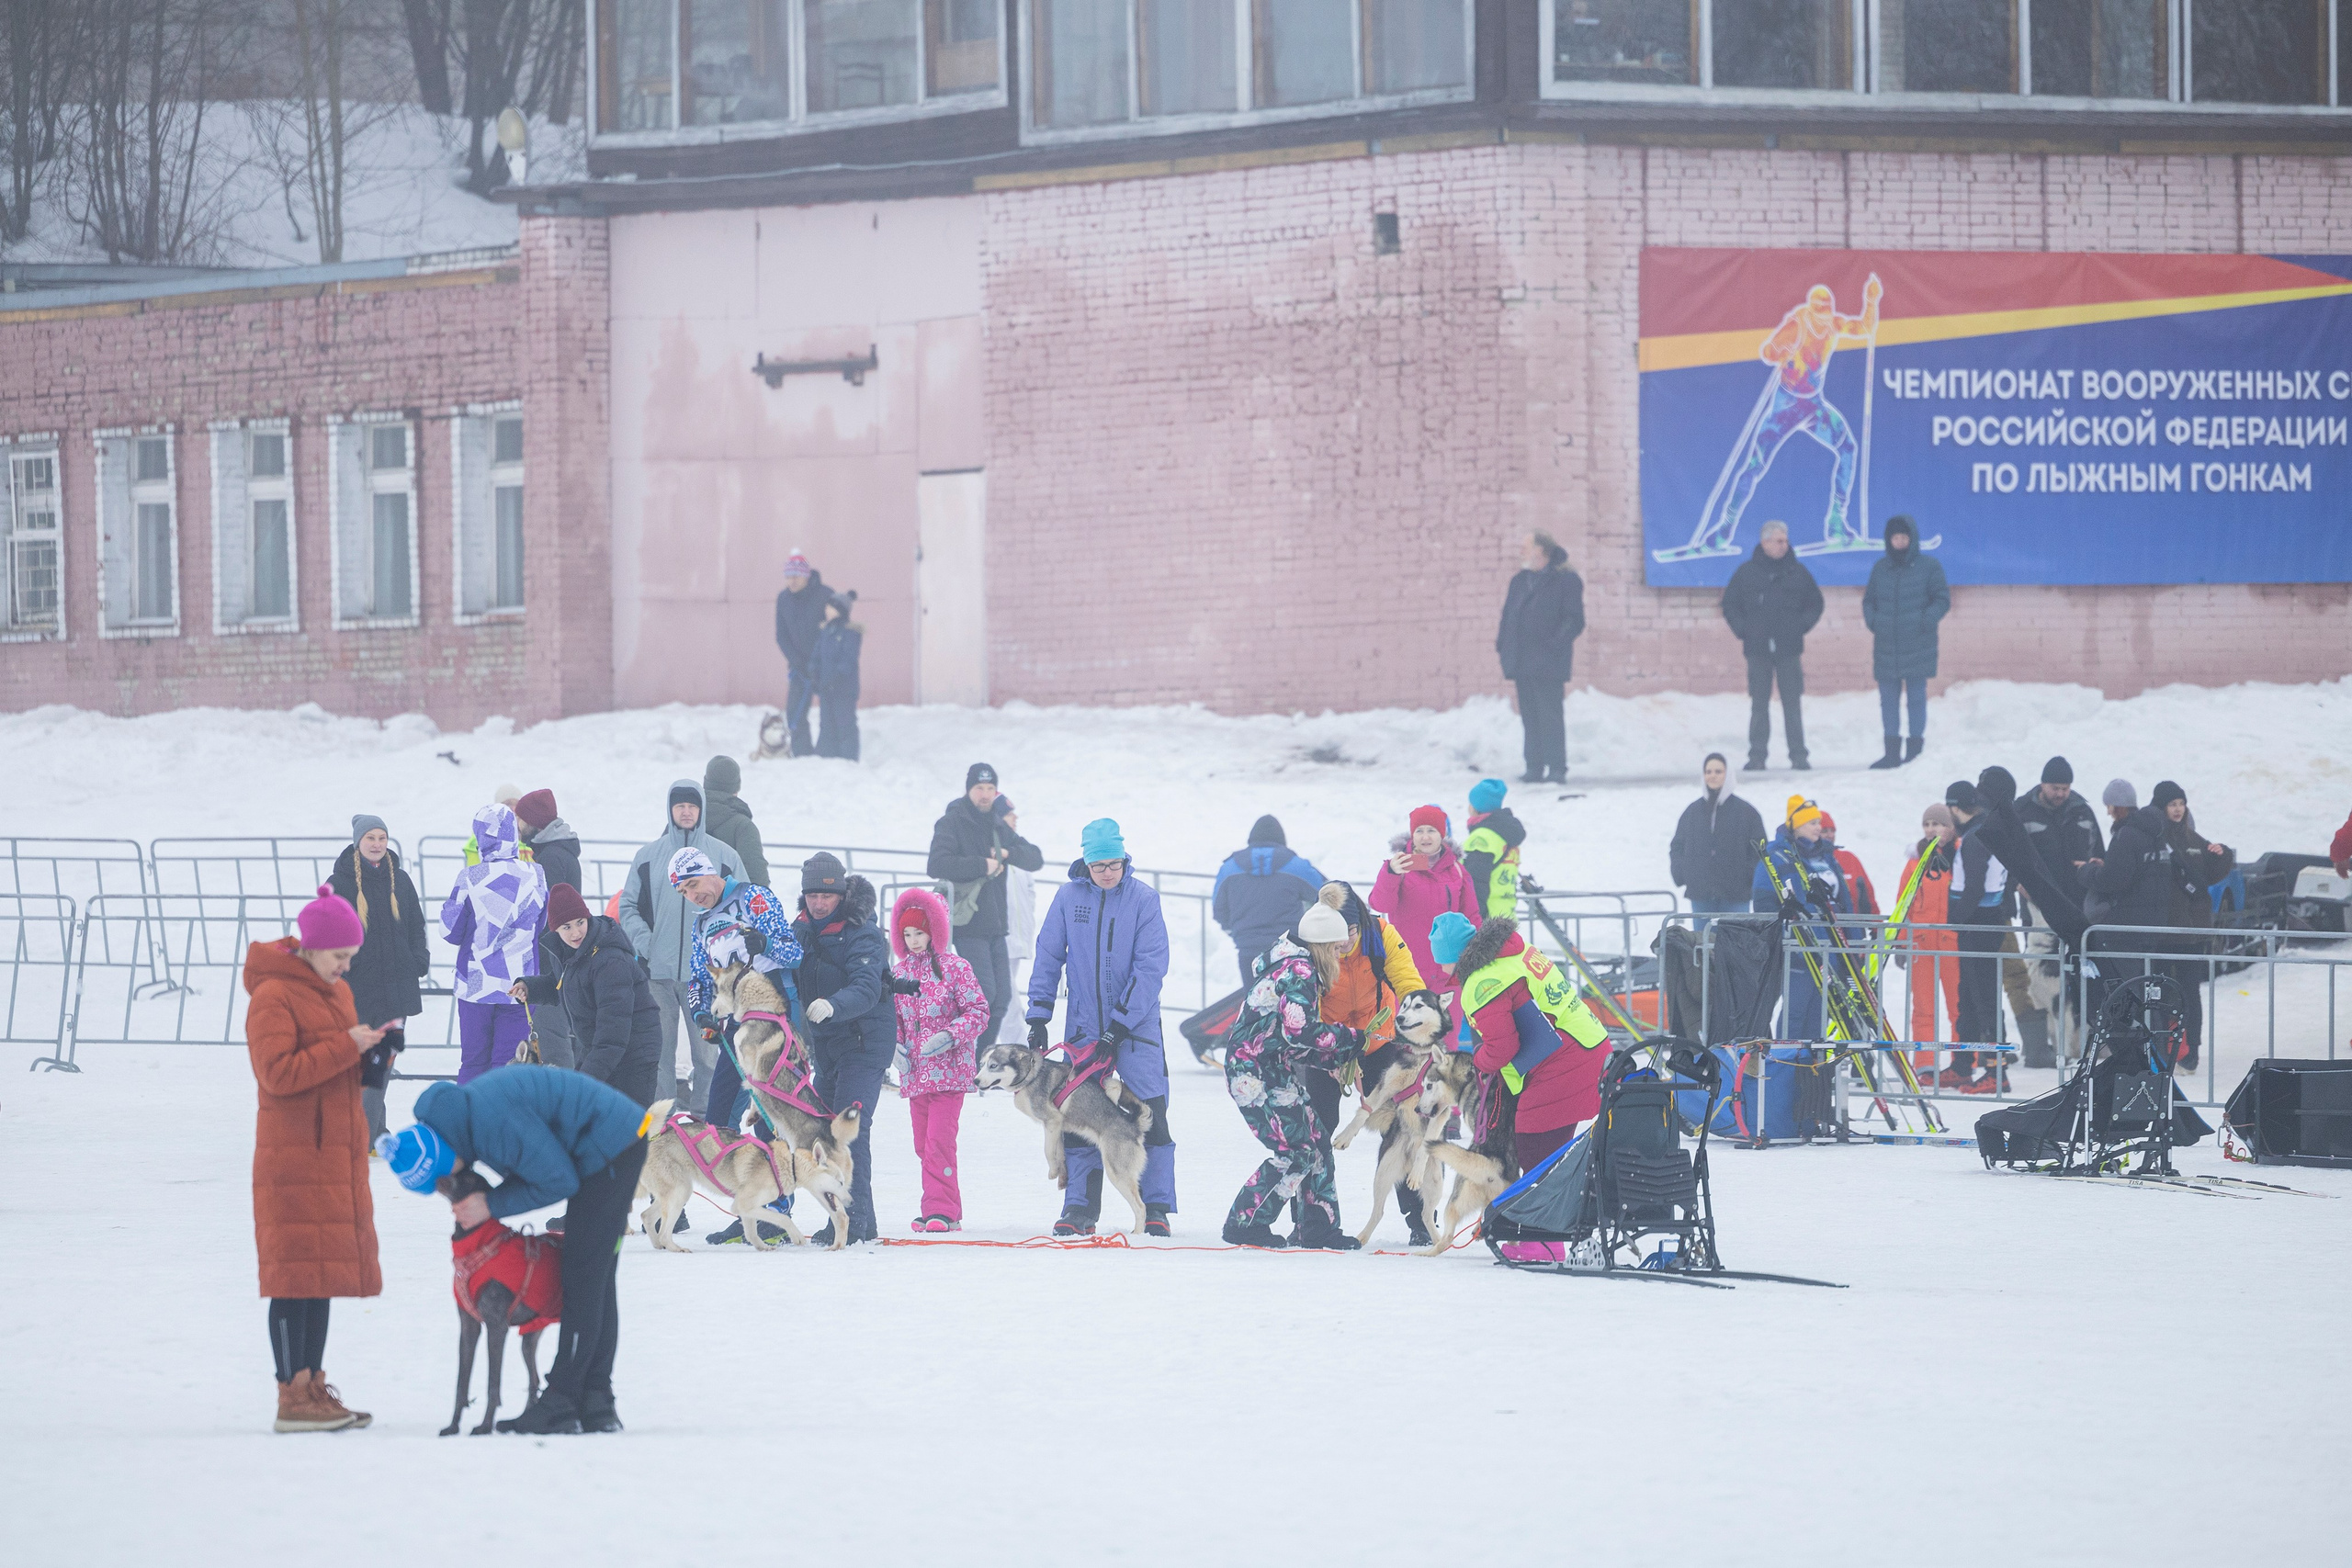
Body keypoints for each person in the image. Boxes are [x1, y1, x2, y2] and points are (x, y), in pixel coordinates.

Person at [389, 1066, 650, 1435]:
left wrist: (490, 1205)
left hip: (613, 1145)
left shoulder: (491, 1124)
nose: (446, 1188)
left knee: (584, 1276)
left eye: (442, 1181)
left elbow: (558, 1179)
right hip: (607, 1141)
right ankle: (595, 1401)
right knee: (594, 1276)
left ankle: (563, 1400)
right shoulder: (466, 1120)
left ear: (445, 1158)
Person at [247, 886, 387, 1433]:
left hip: (333, 1153)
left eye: (351, 957)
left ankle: (314, 1388)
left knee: (321, 1276)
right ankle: (291, 1396)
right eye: (339, 956)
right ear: (310, 946)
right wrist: (346, 1048)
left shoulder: (336, 992)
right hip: (292, 1157)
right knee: (293, 1276)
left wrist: (371, 1060)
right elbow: (277, 1073)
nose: (346, 966)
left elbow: (333, 1066)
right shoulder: (273, 996)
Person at [1025, 818, 1175, 1237]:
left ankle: (1157, 1205)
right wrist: (1038, 1013)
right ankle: (1079, 1206)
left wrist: (1120, 1026)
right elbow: (1049, 953)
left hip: (1137, 1025)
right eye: (1099, 866)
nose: (1108, 872)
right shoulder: (1068, 897)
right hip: (1083, 1026)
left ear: (1125, 860)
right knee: (1078, 1112)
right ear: (1085, 865)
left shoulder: (1144, 900)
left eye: (1115, 864)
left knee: (1151, 1110)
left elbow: (1151, 967)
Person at [1218, 902, 1370, 1250]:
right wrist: (1351, 1039)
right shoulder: (1300, 970)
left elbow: (1286, 1037)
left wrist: (1333, 1056)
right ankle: (1246, 1223)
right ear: (1322, 947)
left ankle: (1317, 1229)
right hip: (1254, 1073)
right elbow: (1299, 1031)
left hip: (1271, 1067)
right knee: (1296, 1150)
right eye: (1335, 948)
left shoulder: (1293, 966)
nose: (1338, 955)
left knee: (1315, 1141)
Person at [671, 848, 803, 1245]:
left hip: (772, 1014)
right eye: (684, 892)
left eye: (694, 884)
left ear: (709, 874)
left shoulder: (752, 897)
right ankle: (749, 1203)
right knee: (717, 1117)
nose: (693, 895)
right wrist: (701, 1015)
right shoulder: (702, 924)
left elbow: (793, 952)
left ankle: (776, 1211)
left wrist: (763, 944)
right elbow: (697, 980)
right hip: (735, 1024)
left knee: (768, 1109)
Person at [1426, 907, 1611, 1182]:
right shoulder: (1513, 953)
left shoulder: (1481, 983)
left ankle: (1553, 1216)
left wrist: (1479, 1061)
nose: (1440, 969)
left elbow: (1502, 1049)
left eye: (1441, 960)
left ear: (1453, 955)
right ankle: (1566, 1206)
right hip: (1587, 1044)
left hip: (1564, 1062)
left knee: (1534, 1148)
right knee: (1545, 1151)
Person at [616, 779, 745, 1111]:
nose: (686, 812)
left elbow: (742, 906)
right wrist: (648, 945)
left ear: (701, 809)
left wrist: (722, 951)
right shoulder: (648, 857)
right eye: (679, 805)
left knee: (707, 1054)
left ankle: (706, 1119)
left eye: (692, 805)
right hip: (657, 976)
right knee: (658, 1054)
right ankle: (664, 1125)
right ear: (670, 809)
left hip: (705, 978)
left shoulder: (724, 856)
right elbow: (627, 906)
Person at [1317, 880, 1430, 1245]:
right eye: (1340, 932)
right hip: (1324, 1041)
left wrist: (1419, 1024)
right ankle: (1316, 1221)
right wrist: (1324, 1051)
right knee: (1317, 1128)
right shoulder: (1312, 942)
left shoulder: (1380, 935)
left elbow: (1409, 983)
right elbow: (1302, 1003)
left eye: (1352, 930)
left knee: (1403, 1123)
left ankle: (1420, 1221)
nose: (1346, 940)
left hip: (1376, 1039)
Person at [792, 853, 893, 1244]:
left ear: (841, 893)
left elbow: (867, 987)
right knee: (826, 1135)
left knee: (850, 1132)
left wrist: (834, 1005)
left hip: (866, 1042)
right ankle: (853, 1221)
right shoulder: (800, 928)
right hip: (828, 1046)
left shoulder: (862, 931)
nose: (819, 903)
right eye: (812, 895)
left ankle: (856, 1222)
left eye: (827, 895)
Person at [513, 882, 665, 1109]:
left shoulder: (610, 961)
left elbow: (613, 1032)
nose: (575, 933)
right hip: (600, 1046)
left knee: (630, 1126)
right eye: (566, 927)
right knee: (594, 1121)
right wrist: (529, 987)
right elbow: (562, 984)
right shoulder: (568, 952)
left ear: (588, 918)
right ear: (555, 929)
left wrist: (583, 1082)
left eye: (580, 923)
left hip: (634, 1052)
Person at [888, 886, 989, 1233]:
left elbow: (978, 1011)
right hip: (916, 1076)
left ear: (936, 930)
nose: (914, 940)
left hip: (949, 1074)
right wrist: (895, 1047)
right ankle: (940, 1205)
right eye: (907, 934)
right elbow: (895, 1019)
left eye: (920, 932)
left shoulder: (955, 968)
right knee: (922, 1144)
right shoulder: (899, 973)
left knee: (938, 1143)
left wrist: (949, 1036)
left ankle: (941, 1210)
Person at [927, 762, 1046, 1053]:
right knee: (986, 993)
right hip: (967, 923)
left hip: (996, 925)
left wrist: (1007, 853)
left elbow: (1035, 859)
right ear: (969, 789)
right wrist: (982, 864)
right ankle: (967, 1058)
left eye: (990, 788)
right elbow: (936, 864)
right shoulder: (952, 821)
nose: (985, 794)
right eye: (979, 788)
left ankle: (980, 1059)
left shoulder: (997, 824)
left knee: (1002, 997)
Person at [329, 814, 428, 1144]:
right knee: (361, 1061)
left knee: (382, 1060)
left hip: (396, 985)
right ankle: (364, 1133)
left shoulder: (400, 880)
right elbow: (329, 932)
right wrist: (343, 966)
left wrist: (418, 960)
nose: (376, 844)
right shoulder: (339, 882)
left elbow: (416, 924)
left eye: (382, 838)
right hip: (356, 988)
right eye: (370, 838)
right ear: (358, 842)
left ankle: (369, 1132)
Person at [440, 803, 548, 1083]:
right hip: (519, 985)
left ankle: (468, 1122)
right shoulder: (537, 874)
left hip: (476, 984)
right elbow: (542, 925)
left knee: (474, 1063)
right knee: (508, 1065)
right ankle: (500, 1123)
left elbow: (449, 931)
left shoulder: (470, 877)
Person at [1720, 520, 1824, 772]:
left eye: (1785, 541)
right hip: (1758, 649)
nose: (1783, 545)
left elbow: (1815, 604)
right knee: (1759, 703)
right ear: (1764, 542)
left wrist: (1799, 627)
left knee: (1792, 703)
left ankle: (1799, 756)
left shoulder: (1797, 572)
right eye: (1778, 541)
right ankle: (1757, 756)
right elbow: (1730, 605)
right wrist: (1744, 630)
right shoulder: (1747, 572)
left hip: (1788, 649)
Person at [1750, 796, 1851, 1040]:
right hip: (1799, 949)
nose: (1819, 827)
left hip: (1831, 948)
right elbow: (1764, 902)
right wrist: (1782, 934)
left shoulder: (1825, 856)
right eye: (1812, 822)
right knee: (1796, 1013)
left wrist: (1852, 942)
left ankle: (1813, 1073)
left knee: (1821, 1014)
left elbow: (1844, 902)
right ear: (1796, 825)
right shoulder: (1777, 855)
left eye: (1819, 822)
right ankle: (1787, 1068)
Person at [2153, 781, 2234, 1074]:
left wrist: (2221, 854)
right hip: (2162, 933)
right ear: (2161, 807)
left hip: (2191, 932)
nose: (2177, 809)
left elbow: (2211, 874)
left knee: (2190, 993)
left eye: (2181, 803)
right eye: (2172, 804)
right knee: (2159, 994)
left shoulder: (2192, 837)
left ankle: (2191, 1051)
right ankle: (2162, 1048)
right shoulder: (2153, 837)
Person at [1860, 515, 1950, 770]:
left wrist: (1925, 620)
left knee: (1916, 698)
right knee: (1888, 699)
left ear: (1912, 539)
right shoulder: (1881, 568)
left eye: (1904, 537)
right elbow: (1869, 601)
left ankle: (1915, 751)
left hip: (1918, 643)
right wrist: (1874, 622)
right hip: (1887, 644)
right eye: (1895, 538)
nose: (1899, 542)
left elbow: (1942, 599)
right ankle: (1891, 752)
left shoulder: (1929, 567)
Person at [1496, 531, 1584, 784]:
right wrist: (1503, 646)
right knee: (1530, 715)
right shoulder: (1520, 581)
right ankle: (1534, 767)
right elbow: (1508, 617)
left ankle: (1557, 768)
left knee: (1550, 715)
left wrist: (1553, 644)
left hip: (1549, 662)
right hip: (1522, 660)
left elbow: (1575, 620)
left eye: (1526, 547)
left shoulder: (1566, 581)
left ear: (1541, 551)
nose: (1521, 552)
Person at [1943, 780, 2013, 1092]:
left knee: (1983, 1000)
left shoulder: (1975, 838)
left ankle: (1995, 1071)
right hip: (1986, 922)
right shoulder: (1987, 829)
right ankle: (1963, 1065)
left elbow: (1974, 887)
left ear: (1955, 808)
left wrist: (1956, 919)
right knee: (1969, 999)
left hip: (1977, 926)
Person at [1369, 806, 1479, 994]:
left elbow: (1472, 916)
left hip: (1448, 972)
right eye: (1419, 831)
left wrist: (1476, 954)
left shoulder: (1458, 871)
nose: (1425, 837)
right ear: (1412, 835)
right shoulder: (1399, 867)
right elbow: (1380, 905)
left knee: (1447, 1024)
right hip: (1407, 970)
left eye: (1431, 831)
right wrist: (1390, 873)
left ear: (1442, 835)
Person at [1211, 814, 1328, 987]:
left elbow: (1219, 909)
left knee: (1255, 1007)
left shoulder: (1229, 869)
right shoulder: (1295, 866)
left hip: (1248, 949)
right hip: (1290, 947)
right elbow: (1328, 893)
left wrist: (1237, 931)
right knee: (1292, 1005)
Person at [1670, 754, 1767, 929]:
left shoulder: (1746, 812)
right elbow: (1677, 846)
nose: (1712, 776)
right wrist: (1684, 874)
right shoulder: (1692, 812)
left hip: (1736, 896)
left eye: (1718, 771)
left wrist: (1748, 877)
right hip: (1701, 895)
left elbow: (1760, 850)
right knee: (1703, 947)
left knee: (1735, 946)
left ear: (1727, 774)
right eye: (1708, 771)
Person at [1896, 805, 1960, 1055]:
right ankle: (1924, 1063)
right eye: (1927, 824)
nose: (1931, 829)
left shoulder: (1961, 856)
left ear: (1950, 827)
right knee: (1923, 1008)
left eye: (1937, 824)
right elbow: (1904, 904)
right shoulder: (1915, 863)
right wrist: (1901, 942)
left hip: (1953, 943)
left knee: (1959, 1006)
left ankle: (1965, 1059)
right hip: (1921, 944)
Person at [773, 550, 844, 758]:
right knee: (794, 713)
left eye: (796, 576)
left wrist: (822, 661)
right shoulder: (783, 599)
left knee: (829, 712)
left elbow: (836, 630)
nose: (791, 581)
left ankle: (828, 754)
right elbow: (781, 636)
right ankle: (802, 756)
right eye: (788, 576)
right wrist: (797, 662)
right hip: (798, 668)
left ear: (806, 576)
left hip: (824, 666)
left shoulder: (826, 595)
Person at [2015, 757, 2105, 901]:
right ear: (2043, 784)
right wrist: (2018, 883)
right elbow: (2010, 853)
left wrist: (2097, 867)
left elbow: (2098, 852)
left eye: (2065, 788)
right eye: (2055, 788)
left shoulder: (2083, 812)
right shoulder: (2022, 812)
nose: (2060, 794)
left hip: (2079, 899)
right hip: (2037, 899)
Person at [1000, 798, 1039, 1043]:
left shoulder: (1018, 856)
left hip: (1016, 941)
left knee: (1005, 997)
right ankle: (1019, 1051)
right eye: (1008, 814)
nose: (1015, 818)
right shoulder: (986, 851)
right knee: (1006, 999)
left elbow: (1028, 896)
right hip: (997, 940)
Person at [1461, 778, 1527, 924]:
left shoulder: (1482, 838)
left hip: (1487, 921)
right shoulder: (1506, 836)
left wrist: (1475, 920)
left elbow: (1476, 882)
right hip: (1505, 917)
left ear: (1476, 807)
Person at [699, 755, 770, 887]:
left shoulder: (681, 820)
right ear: (736, 788)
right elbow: (756, 878)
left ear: (706, 783)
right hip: (728, 906)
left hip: (679, 904)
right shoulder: (743, 826)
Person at [815, 594, 863, 761]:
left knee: (845, 725)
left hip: (844, 689)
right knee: (827, 725)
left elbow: (848, 660)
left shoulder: (850, 633)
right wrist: (814, 673)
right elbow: (817, 655)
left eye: (831, 607)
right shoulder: (826, 631)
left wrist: (834, 678)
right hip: (826, 689)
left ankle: (848, 760)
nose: (827, 610)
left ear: (840, 610)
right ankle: (827, 759)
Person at [513, 790, 582, 892]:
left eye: (519, 818)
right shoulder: (558, 850)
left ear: (532, 820)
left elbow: (552, 904)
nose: (516, 823)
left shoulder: (550, 857)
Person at [1818, 812, 1878, 917]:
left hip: (1854, 926)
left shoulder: (1849, 858)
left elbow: (1868, 895)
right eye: (1825, 831)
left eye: (1833, 831)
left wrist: (1876, 927)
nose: (1830, 835)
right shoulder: (1810, 860)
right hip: (1825, 927)